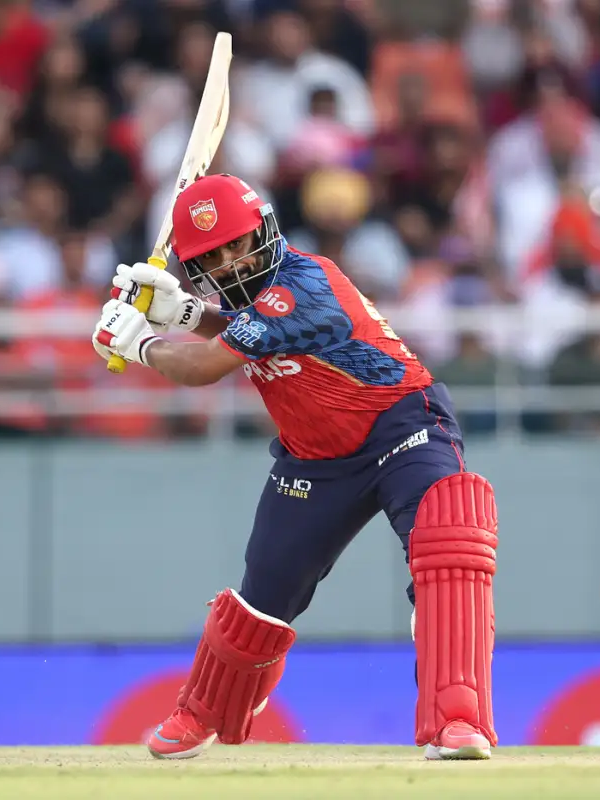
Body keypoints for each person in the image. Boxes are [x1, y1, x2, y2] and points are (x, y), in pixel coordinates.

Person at [91, 173, 499, 761]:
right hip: (315, 459)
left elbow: (208, 367)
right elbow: (244, 327)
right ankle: (205, 711)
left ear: (266, 230)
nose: (230, 264)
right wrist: (182, 312)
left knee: (449, 543)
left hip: (402, 427)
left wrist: (139, 345)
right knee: (264, 596)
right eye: (212, 256)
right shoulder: (256, 302)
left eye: (237, 244)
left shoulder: (303, 283)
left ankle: (458, 721)